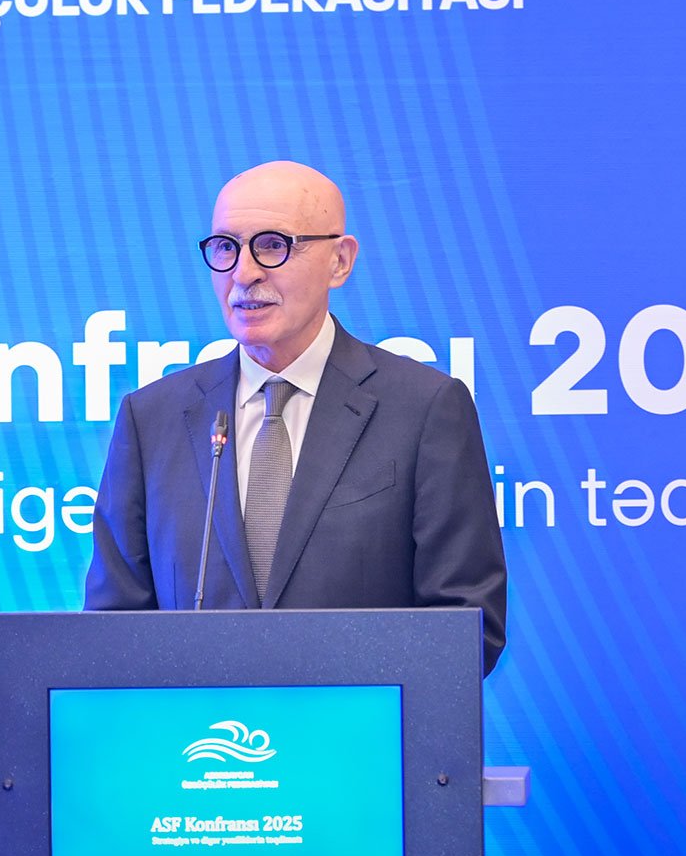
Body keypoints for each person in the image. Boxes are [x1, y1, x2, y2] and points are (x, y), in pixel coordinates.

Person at [85, 160, 507, 674]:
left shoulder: (424, 409)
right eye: (225, 247)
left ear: (340, 261)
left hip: (357, 724)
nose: (244, 273)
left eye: (272, 245)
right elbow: (109, 635)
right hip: (199, 726)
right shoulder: (152, 420)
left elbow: (467, 627)